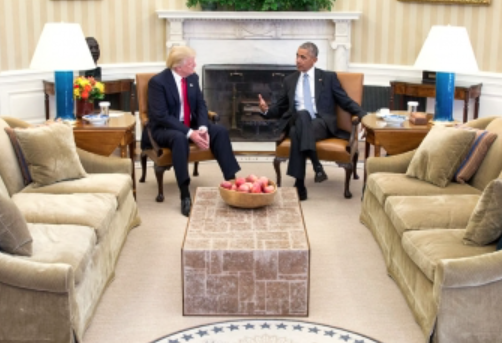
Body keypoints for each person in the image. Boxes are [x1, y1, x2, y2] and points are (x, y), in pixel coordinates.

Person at [258, 43, 367, 201]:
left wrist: (363, 115)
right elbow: (280, 108)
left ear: (314, 59)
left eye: (303, 57)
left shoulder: (328, 78)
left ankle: (300, 183)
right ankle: (316, 166)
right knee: (301, 114)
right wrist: (265, 110)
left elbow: (345, 101)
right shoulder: (289, 80)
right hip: (295, 119)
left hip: (320, 123)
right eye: (297, 56)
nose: (298, 60)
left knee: (297, 132)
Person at [146, 46, 243, 217]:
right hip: (165, 129)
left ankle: (233, 182)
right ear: (178, 66)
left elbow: (200, 105)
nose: (195, 65)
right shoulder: (158, 83)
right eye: (191, 63)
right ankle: (185, 194)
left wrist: (203, 128)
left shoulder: (192, 78)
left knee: (219, 131)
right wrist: (190, 133)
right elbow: (161, 116)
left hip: (191, 124)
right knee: (179, 138)